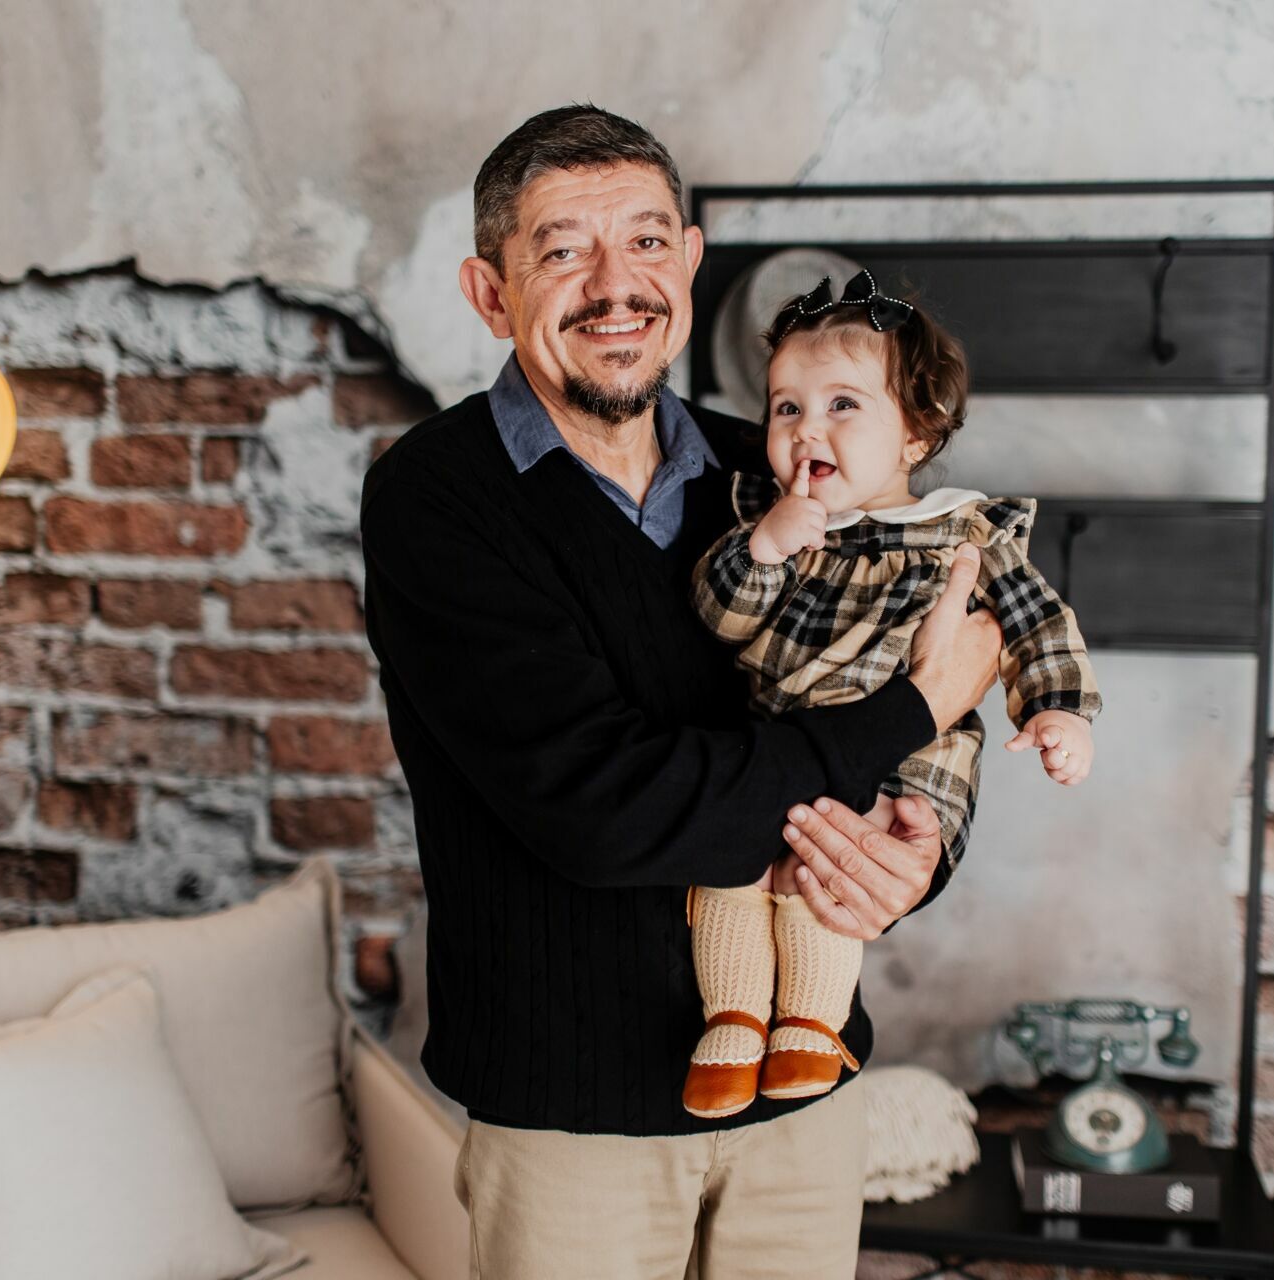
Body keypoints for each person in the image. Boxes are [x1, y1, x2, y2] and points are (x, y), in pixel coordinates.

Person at [359, 104, 1002, 1278]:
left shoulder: (779, 472)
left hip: (804, 1086)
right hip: (573, 1114)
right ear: (489, 291)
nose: (618, 285)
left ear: (692, 262)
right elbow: (608, 806)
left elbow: (897, 676)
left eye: (649, 241)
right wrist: (908, 713)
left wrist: (911, 853)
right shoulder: (436, 499)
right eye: (562, 249)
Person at [681, 271, 1103, 1122]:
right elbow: (718, 619)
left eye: (843, 405)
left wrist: (1056, 708)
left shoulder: (964, 532)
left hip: (910, 762)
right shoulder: (772, 521)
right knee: (731, 860)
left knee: (834, 865)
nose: (806, 430)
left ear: (915, 434)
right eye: (786, 408)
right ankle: (731, 1020)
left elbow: (1035, 626)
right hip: (779, 742)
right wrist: (761, 552)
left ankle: (808, 1022)